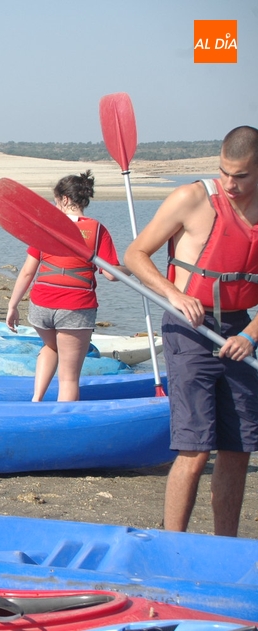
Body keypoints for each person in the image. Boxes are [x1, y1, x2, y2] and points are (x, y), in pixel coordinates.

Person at [125, 126, 258, 537]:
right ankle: (172, 540)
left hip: (239, 330)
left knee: (237, 450)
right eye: (224, 173)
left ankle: (225, 544)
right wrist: (173, 294)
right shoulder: (191, 198)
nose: (230, 184)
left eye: (242, 176)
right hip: (186, 328)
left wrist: (251, 335)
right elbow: (135, 254)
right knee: (196, 448)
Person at [5, 171, 123, 403]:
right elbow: (111, 274)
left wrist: (13, 305)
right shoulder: (97, 230)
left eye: (56, 201)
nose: (54, 206)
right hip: (75, 308)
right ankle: (62, 422)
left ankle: (36, 400)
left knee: (51, 347)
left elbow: (28, 271)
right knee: (69, 379)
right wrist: (130, 269)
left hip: (41, 307)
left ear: (65, 200)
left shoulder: (47, 228)